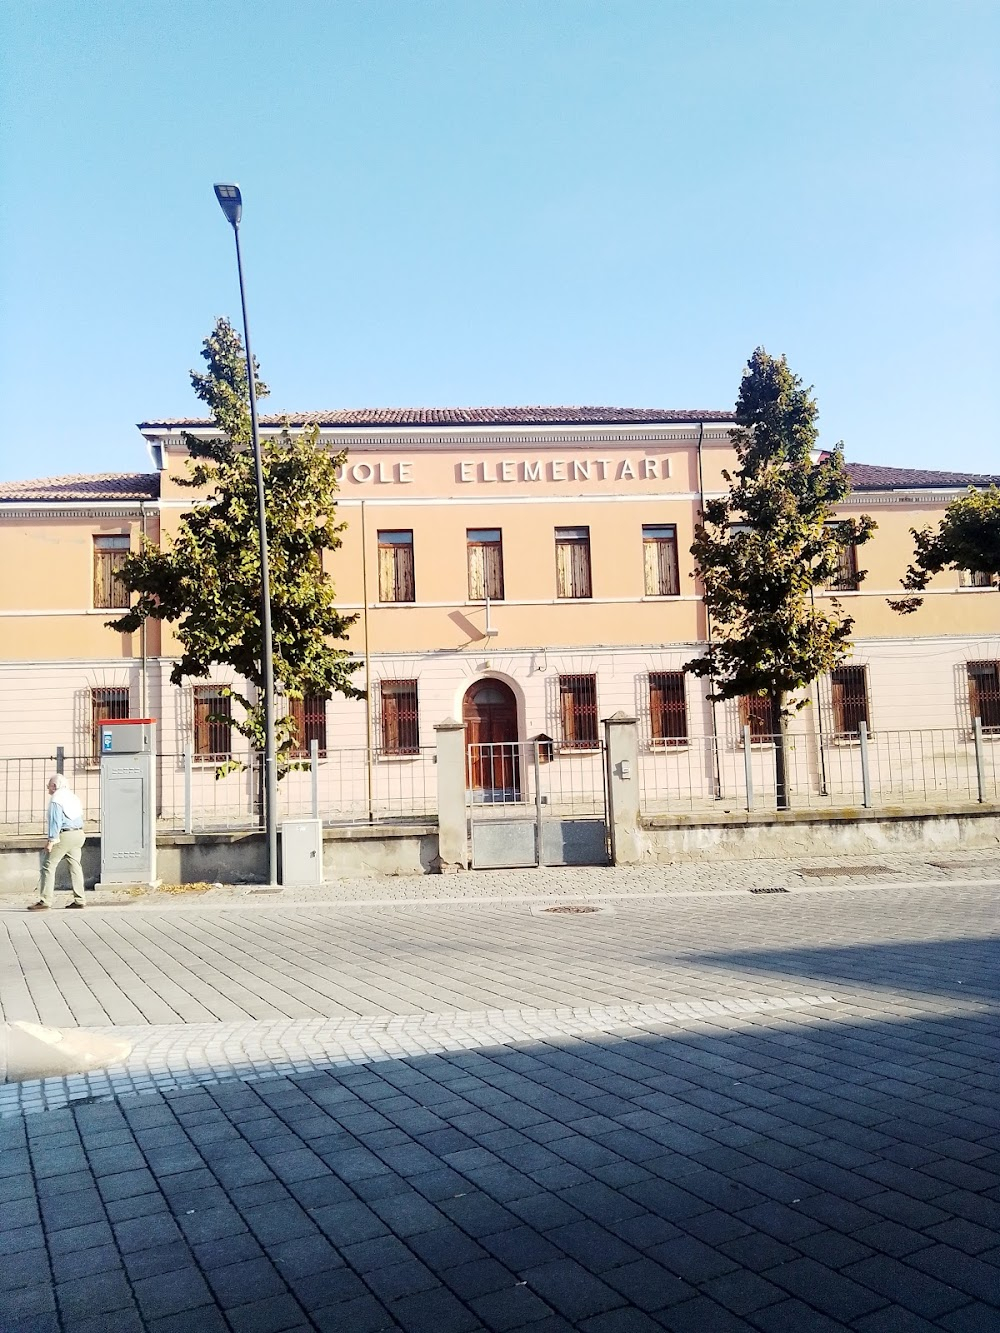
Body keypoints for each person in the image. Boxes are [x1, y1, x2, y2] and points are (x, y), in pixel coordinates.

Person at [28, 774, 86, 911]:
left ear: (54, 786)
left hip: (64, 835)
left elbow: (55, 821)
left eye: (48, 786)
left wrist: (51, 841)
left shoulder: (56, 798)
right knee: (75, 866)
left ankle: (45, 900)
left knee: (48, 865)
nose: (48, 789)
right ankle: (80, 899)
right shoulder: (73, 797)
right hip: (78, 833)